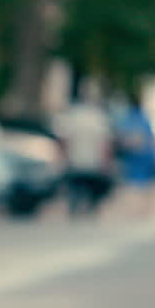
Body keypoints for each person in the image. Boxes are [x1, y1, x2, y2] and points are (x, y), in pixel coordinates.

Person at [52, 81, 115, 217]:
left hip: (75, 160)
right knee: (92, 191)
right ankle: (89, 210)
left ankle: (75, 209)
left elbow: (63, 140)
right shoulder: (99, 117)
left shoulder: (72, 115)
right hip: (93, 162)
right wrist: (106, 162)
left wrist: (61, 158)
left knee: (75, 188)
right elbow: (105, 143)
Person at [116, 91, 155, 216]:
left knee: (133, 181)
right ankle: (144, 209)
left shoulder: (127, 118)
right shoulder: (144, 118)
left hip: (132, 155)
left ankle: (135, 208)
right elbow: (151, 139)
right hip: (145, 155)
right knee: (145, 182)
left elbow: (121, 136)